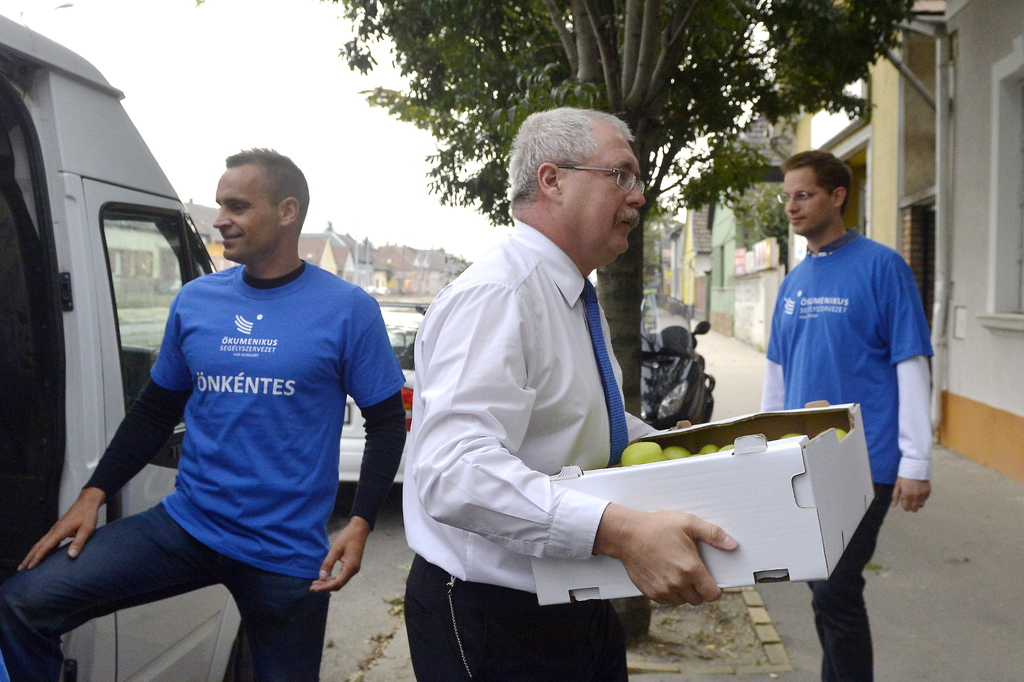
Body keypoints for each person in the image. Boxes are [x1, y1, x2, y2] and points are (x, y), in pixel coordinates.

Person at [0, 149, 408, 681]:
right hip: (187, 526)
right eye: (219, 205)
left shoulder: (348, 308)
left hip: (285, 555)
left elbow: (384, 423)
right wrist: (93, 494)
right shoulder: (196, 301)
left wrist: (360, 521)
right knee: (24, 601)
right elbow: (154, 410)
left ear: (287, 212)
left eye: (236, 206)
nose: (219, 220)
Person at [402, 107, 739, 681]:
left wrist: (673, 444)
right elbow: (453, 474)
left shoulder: (570, 292)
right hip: (494, 619)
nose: (638, 196)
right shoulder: (500, 296)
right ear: (552, 180)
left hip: (571, 598)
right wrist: (623, 532)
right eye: (622, 175)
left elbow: (573, 417)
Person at [761, 150, 933, 681]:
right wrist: (763, 450)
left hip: (867, 456)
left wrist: (916, 461)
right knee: (825, 586)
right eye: (787, 196)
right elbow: (777, 374)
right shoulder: (793, 282)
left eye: (804, 195)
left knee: (834, 585)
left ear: (838, 197)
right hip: (804, 457)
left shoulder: (883, 267)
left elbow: (911, 363)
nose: (791, 206)